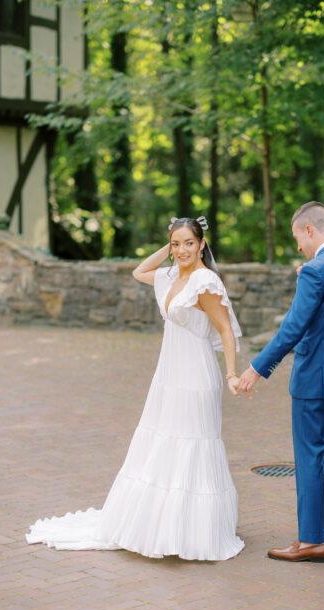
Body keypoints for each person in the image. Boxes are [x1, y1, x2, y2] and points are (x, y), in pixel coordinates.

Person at [25, 216, 245, 561]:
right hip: (169, 374)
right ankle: (164, 524)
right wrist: (170, 247)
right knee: (163, 440)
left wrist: (232, 374)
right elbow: (139, 271)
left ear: (202, 244)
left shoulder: (204, 282)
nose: (182, 250)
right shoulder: (172, 275)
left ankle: (192, 530)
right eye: (177, 244)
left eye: (190, 243)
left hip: (195, 375)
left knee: (192, 443)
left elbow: (225, 330)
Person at [238, 202, 324, 563]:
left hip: (312, 380)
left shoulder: (314, 272)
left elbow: (293, 329)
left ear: (310, 230)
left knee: (309, 456)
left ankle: (311, 540)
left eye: (297, 237)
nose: (298, 246)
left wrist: (255, 368)